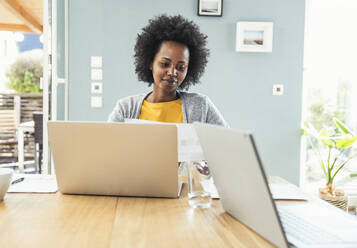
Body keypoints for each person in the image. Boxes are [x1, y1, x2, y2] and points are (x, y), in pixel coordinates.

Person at [108, 14, 228, 127]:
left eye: (181, 67)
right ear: (150, 63)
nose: (172, 72)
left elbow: (227, 141)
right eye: (165, 64)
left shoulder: (201, 105)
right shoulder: (125, 108)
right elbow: (108, 146)